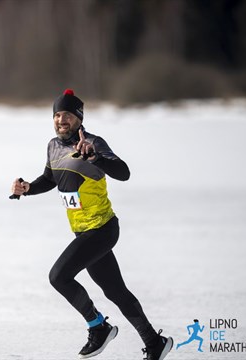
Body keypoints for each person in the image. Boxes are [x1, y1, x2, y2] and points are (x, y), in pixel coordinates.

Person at [10, 89, 173, 360]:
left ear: (79, 118)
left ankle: (98, 326)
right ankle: (154, 342)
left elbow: (124, 173)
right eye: (57, 115)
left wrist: (95, 158)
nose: (61, 120)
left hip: (102, 229)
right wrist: (27, 188)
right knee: (115, 290)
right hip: (82, 230)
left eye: (68, 115)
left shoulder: (93, 143)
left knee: (59, 277)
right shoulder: (53, 145)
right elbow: (50, 179)